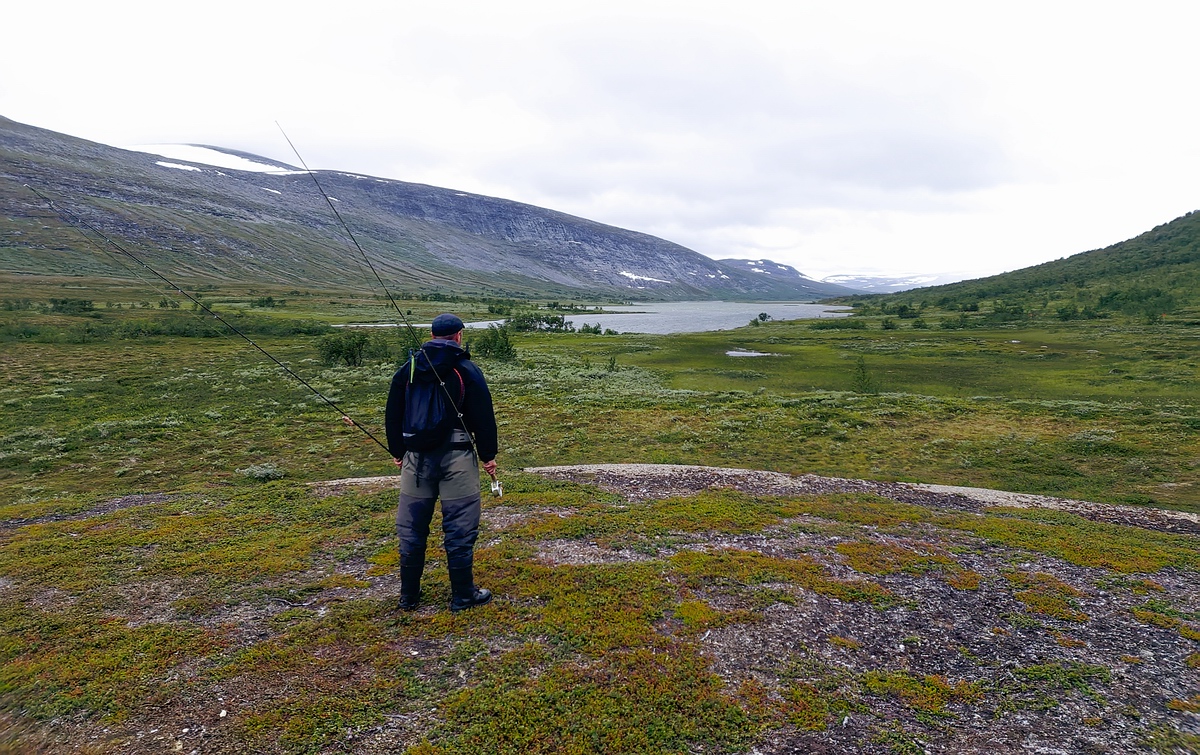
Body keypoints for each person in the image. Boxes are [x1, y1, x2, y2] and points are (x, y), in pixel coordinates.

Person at [385, 313, 499, 612]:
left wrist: (398, 451)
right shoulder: (467, 369)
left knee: (411, 529)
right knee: (459, 528)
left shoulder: (408, 369)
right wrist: (488, 456)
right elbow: (483, 417)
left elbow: (393, 413)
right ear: (459, 336)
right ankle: (463, 596)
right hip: (457, 458)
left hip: (416, 459)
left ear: (431, 335)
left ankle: (408, 597)